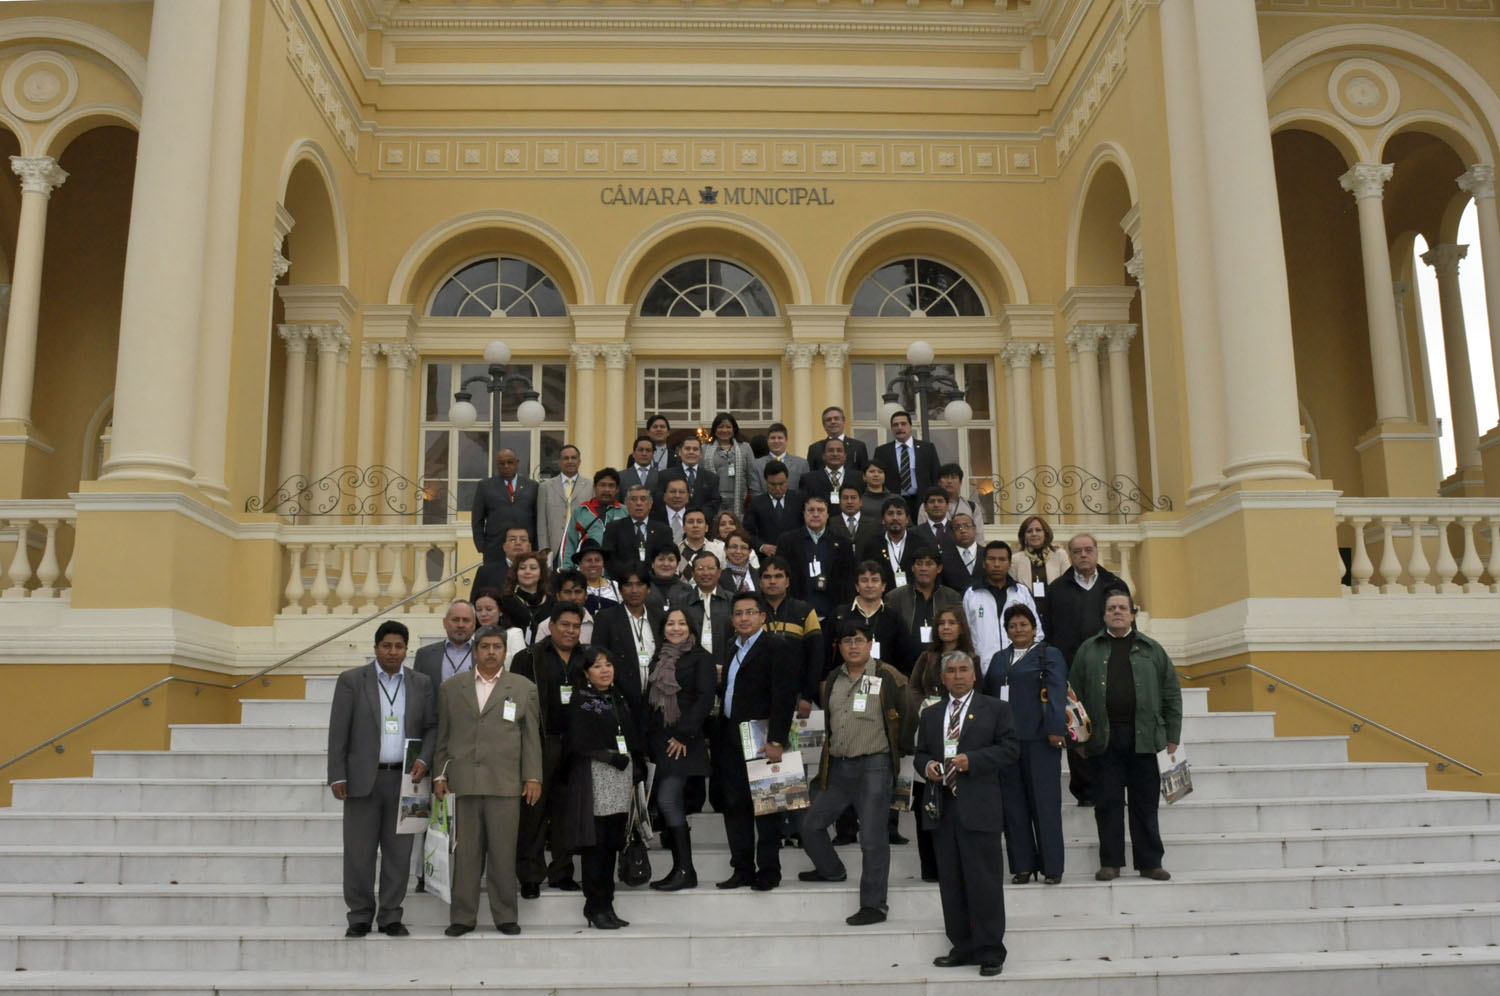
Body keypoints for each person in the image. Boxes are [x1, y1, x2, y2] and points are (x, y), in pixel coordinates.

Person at [798, 620, 912, 926]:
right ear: (839, 647)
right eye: (847, 641)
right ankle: (831, 870)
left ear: (870, 644)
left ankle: (874, 905)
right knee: (809, 823)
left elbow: (908, 715)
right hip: (838, 767)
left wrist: (898, 751)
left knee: (872, 837)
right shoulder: (833, 678)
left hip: (875, 765)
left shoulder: (888, 675)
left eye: (859, 640)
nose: (853, 646)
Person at [327, 620, 437, 937]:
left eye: (399, 646)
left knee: (399, 854)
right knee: (359, 854)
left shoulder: (421, 683)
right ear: (376, 648)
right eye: (386, 646)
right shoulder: (352, 681)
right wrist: (337, 775)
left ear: (406, 650)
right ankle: (359, 916)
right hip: (363, 780)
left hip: (408, 781)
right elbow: (338, 730)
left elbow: (431, 727)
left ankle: (391, 915)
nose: (392, 652)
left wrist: (424, 759)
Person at [913, 650, 1019, 978]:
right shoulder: (931, 714)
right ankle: (962, 946)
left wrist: (973, 760)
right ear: (942, 678)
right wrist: (928, 766)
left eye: (963, 670)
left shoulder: (996, 709)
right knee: (951, 881)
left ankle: (990, 951)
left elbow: (1010, 749)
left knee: (984, 881)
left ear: (974, 675)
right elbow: (920, 754)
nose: (958, 676)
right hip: (943, 809)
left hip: (980, 806)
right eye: (951, 671)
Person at [433, 623, 542, 937]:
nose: (491, 652)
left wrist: (533, 776)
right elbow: (443, 737)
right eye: (485, 647)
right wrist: (440, 774)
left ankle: (505, 915)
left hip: (505, 784)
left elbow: (531, 738)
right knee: (465, 855)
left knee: (503, 854)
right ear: (475, 650)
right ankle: (462, 917)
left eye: (497, 647)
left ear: (505, 651)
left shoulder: (523, 688)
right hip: (463, 783)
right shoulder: (452, 688)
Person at [1071, 590, 1180, 883]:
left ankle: (1150, 863)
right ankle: (1110, 863)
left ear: (1132, 614)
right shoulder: (1088, 650)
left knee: (1145, 804)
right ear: (1104, 615)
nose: (1117, 612)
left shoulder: (1153, 650)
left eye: (1122, 608)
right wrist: (1079, 739)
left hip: (1145, 738)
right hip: (1104, 739)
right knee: (1107, 804)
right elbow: (1073, 697)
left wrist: (1173, 734)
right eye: (1111, 608)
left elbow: (1171, 693)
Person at [714, 590, 798, 891]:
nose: (743, 618)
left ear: (762, 616)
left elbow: (784, 696)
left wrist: (777, 739)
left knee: (768, 807)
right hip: (731, 738)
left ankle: (769, 871)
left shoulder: (777, 646)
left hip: (763, 740)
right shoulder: (731, 647)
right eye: (738, 613)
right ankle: (742, 869)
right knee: (735, 806)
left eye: (750, 612)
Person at [560, 647, 647, 929]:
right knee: (595, 844)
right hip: (596, 776)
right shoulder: (583, 700)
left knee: (612, 842)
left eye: (608, 664)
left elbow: (629, 734)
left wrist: (636, 763)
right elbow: (578, 742)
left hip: (620, 778)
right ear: (586, 673)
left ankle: (607, 904)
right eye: (597, 666)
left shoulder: (617, 696)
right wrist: (609, 757)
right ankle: (594, 906)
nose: (605, 670)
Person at [983, 604, 1067, 885]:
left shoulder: (1048, 654)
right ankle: (1022, 866)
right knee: (1013, 807)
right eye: (1012, 625)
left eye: (1023, 624)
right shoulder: (998, 659)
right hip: (1006, 743)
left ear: (1034, 628)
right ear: (1006, 631)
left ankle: (1052, 867)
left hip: (1040, 740)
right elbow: (989, 696)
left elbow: (1057, 692)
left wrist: (1056, 729)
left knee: (1045, 805)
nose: (1018, 630)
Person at [1045, 533, 1130, 808]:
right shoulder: (1057, 589)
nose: (1083, 555)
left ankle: (1114, 786)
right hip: (1072, 672)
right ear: (1070, 555)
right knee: (1078, 729)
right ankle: (1085, 791)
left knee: (1111, 729)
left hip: (1111, 668)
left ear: (1096, 552)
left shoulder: (1114, 585)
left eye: (1088, 550)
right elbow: (1050, 632)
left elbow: (1128, 626)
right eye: (1077, 551)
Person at [510, 602, 586, 896]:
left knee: (567, 812)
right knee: (533, 811)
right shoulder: (528, 658)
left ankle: (562, 872)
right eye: (565, 625)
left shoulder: (588, 658)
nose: (570, 631)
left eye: (576, 626)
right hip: (540, 742)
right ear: (551, 626)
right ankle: (530, 875)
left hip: (576, 745)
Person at [644, 606, 717, 891]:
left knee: (668, 800)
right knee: (666, 802)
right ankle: (680, 869)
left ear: (691, 628)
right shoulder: (659, 658)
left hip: (684, 743)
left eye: (682, 623)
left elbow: (704, 699)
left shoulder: (702, 658)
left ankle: (686, 870)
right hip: (659, 742)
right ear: (662, 629)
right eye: (670, 624)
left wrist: (684, 735)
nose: (676, 628)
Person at [906, 608, 973, 882]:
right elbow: (913, 687)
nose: (946, 627)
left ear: (961, 627)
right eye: (941, 623)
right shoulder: (926, 657)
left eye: (951, 622)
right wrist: (924, 706)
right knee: (926, 796)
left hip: (961, 730)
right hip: (929, 726)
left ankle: (958, 864)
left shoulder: (972, 658)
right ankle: (930, 867)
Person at [758, 556, 826, 718]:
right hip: (757, 696)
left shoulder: (805, 611)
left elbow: (816, 657)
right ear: (760, 582)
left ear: (787, 581)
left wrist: (807, 696)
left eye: (778, 576)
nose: (772, 581)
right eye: (767, 577)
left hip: (797, 697)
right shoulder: (751, 612)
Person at [591, 565, 661, 712]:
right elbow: (597, 659)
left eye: (639, 584)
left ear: (648, 589)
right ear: (621, 589)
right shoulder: (606, 618)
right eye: (628, 585)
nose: (634, 590)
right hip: (621, 703)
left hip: (656, 701)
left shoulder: (659, 617)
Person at [774, 494, 854, 623]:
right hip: (795, 615)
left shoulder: (843, 544)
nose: (815, 514)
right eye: (811, 510)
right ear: (804, 514)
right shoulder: (787, 541)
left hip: (832, 617)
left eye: (820, 510)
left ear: (828, 515)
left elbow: (848, 582)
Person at [963, 541, 1042, 670]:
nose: (996, 564)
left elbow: (1037, 631)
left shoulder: (1021, 592)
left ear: (1010, 564)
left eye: (1002, 560)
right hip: (982, 668)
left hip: (1021, 668)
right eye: (991, 559)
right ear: (983, 563)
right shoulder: (971, 594)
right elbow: (965, 634)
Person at [885, 548, 961, 668]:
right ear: (912, 567)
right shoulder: (895, 598)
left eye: (929, 564)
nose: (923, 568)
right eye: (919, 564)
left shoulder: (951, 597)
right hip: (903, 667)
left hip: (943, 666)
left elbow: (960, 634)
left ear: (939, 568)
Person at [857, 495, 939, 593]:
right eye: (890, 513)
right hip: (882, 597)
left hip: (914, 596)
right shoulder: (872, 545)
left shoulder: (920, 543)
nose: (895, 518)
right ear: (883, 519)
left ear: (907, 519)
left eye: (899, 513)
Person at [471, 448, 540, 554]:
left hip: (525, 548)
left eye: (510, 462)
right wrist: (481, 546)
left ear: (517, 462)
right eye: (502, 463)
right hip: (494, 548)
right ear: (497, 465)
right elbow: (477, 519)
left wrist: (537, 546)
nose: (506, 466)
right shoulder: (485, 486)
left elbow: (538, 518)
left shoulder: (532, 486)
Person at [873, 410, 940, 518]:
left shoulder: (927, 448)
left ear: (910, 427)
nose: (899, 428)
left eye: (903, 424)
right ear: (892, 428)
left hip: (922, 502)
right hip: (893, 503)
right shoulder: (882, 451)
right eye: (895, 425)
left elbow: (935, 475)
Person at [559, 468, 625, 570]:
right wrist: (566, 571)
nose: (607, 489)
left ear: (617, 489)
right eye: (602, 485)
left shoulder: (625, 512)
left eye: (611, 486)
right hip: (585, 571)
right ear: (594, 487)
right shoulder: (581, 511)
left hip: (616, 573)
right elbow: (569, 544)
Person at [601, 484, 671, 581]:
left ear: (650, 503)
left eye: (643, 499)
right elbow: (609, 559)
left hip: (655, 582)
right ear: (626, 503)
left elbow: (666, 558)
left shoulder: (663, 530)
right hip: (623, 582)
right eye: (633, 499)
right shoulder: (613, 528)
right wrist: (629, 578)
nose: (638, 503)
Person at [537, 444, 592, 566]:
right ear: (559, 462)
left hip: (581, 544)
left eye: (573, 458)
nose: (570, 461)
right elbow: (541, 520)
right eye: (566, 458)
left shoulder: (590, 485)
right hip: (554, 548)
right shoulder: (545, 487)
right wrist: (543, 547)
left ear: (579, 461)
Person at [742, 461, 806, 556]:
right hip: (767, 557)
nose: (777, 488)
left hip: (796, 554)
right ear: (766, 482)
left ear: (787, 481)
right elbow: (746, 532)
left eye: (781, 484)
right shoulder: (756, 503)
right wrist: (762, 546)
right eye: (773, 484)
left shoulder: (800, 499)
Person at [414, 599, 476, 689]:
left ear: (474, 624)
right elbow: (417, 690)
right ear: (445, 623)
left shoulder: (484, 653)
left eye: (466, 620)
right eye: (455, 620)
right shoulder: (424, 655)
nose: (460, 625)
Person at [680, 549, 733, 655]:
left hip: (725, 658)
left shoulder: (731, 600)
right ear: (693, 574)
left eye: (710, 568)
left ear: (719, 572)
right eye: (700, 569)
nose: (705, 573)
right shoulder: (683, 602)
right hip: (692, 659)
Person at [657, 436, 721, 523]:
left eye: (695, 449)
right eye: (687, 449)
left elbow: (714, 502)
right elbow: (660, 500)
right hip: (673, 522)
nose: (691, 452)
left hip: (700, 524)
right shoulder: (665, 475)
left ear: (700, 454)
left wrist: (697, 517)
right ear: (680, 452)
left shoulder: (712, 478)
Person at [1011, 515, 1068, 610]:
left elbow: (1067, 586)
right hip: (1027, 611)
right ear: (1024, 536)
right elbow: (1013, 590)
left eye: (1038, 530)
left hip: (1055, 610)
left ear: (1045, 533)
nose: (1034, 534)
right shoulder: (1015, 559)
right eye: (1029, 531)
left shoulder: (1059, 555)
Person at [918, 463, 987, 542]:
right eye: (945, 477)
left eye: (953, 477)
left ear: (960, 482)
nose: (949, 481)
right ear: (939, 482)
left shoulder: (972, 507)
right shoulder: (927, 506)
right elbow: (922, 534)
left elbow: (979, 536)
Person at [706, 411, 754, 517]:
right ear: (714, 429)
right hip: (714, 501)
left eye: (728, 427)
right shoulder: (705, 449)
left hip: (740, 502)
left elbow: (752, 475)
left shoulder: (745, 448)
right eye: (720, 427)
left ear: (734, 429)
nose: (724, 430)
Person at [748, 422, 809, 497]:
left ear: (786, 440)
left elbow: (804, 492)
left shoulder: (802, 464)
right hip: (765, 504)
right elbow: (755, 494)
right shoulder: (756, 465)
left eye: (780, 438)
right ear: (767, 441)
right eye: (772, 438)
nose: (776, 441)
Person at [534, 569, 595, 644]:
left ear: (586, 595)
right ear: (558, 596)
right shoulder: (545, 626)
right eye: (568, 592)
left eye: (578, 592)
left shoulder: (596, 624)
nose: (573, 597)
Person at [806, 405, 870, 473]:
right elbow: (810, 475)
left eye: (836, 418)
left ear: (843, 421)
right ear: (824, 425)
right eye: (829, 420)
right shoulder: (815, 449)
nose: (833, 422)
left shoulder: (858, 446)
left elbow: (864, 474)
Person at [472, 524, 531, 596]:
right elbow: (475, 601)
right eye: (512, 540)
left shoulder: (539, 572)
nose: (518, 543)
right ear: (504, 547)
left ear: (529, 547)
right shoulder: (486, 572)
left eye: (523, 540)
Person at [801, 436, 853, 509]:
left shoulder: (857, 477)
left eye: (839, 450)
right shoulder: (808, 479)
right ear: (823, 456)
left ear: (845, 456)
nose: (835, 454)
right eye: (831, 450)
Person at [941, 512, 985, 593]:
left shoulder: (987, 554)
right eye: (957, 528)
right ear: (951, 532)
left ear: (974, 529)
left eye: (966, 526)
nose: (963, 531)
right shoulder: (943, 558)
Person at [574, 538, 621, 613]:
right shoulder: (574, 588)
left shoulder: (616, 587)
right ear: (580, 563)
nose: (593, 564)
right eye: (589, 560)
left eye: (597, 560)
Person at [676, 507, 726, 578]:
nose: (695, 525)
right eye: (690, 522)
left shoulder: (719, 550)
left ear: (706, 528)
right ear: (684, 528)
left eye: (699, 522)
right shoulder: (676, 551)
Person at [832, 481, 881, 550]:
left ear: (861, 502)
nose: (849, 502)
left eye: (853, 498)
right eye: (845, 498)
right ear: (839, 501)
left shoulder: (873, 524)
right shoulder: (830, 523)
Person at [644, 543, 694, 611]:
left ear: (677, 564)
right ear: (652, 563)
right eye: (661, 559)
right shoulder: (642, 588)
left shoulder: (687, 590)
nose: (666, 564)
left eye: (671, 560)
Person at [651, 477, 695, 546]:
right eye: (672, 492)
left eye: (682, 492)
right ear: (664, 496)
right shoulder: (653, 517)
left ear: (688, 497)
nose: (677, 496)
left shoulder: (697, 516)